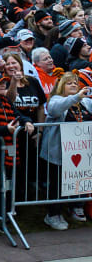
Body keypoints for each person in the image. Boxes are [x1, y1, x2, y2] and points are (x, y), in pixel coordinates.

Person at [40, 72, 92, 230]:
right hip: (59, 153)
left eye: (76, 83)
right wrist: (76, 97)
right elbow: (56, 110)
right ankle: (53, 215)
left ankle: (77, 206)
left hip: (81, 152)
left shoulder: (85, 103)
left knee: (81, 179)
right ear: (61, 86)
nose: (74, 85)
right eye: (69, 83)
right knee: (56, 185)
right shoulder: (55, 100)